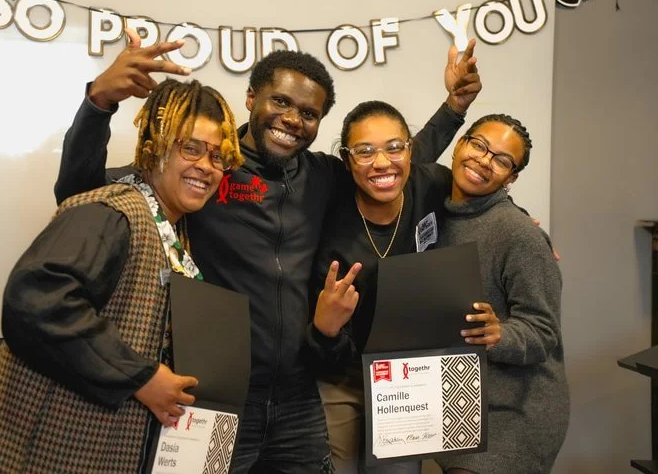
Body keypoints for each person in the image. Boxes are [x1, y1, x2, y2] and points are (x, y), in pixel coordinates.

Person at [53, 29, 481, 472]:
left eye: (310, 113)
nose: (294, 119)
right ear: (252, 97)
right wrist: (99, 103)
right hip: (215, 396)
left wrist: (457, 117)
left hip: (298, 397)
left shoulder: (322, 176)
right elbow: (78, 190)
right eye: (281, 102)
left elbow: (390, 164)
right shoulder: (206, 169)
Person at [0, 77, 244, 473]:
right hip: (33, 457)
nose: (205, 167)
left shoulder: (177, 228)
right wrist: (140, 377)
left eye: (217, 156)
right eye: (190, 148)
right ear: (155, 147)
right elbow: (38, 302)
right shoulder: (111, 211)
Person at [308, 101, 501, 473]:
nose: (382, 163)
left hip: (406, 376)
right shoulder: (326, 207)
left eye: (395, 147)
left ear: (410, 151)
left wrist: (523, 222)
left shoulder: (431, 184)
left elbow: (481, 201)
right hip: (339, 375)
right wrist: (325, 329)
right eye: (364, 151)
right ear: (347, 160)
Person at [435, 114, 569, 474]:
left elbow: (544, 330)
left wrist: (501, 334)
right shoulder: (429, 213)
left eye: (502, 160)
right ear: (460, 144)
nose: (484, 160)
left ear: (511, 178)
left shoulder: (518, 233)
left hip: (514, 410)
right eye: (479, 145)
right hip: (458, 404)